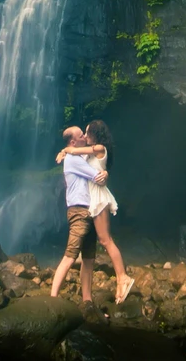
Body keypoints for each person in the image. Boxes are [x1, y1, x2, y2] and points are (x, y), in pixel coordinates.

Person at [55, 119, 135, 303]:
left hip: (98, 198)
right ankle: (89, 298)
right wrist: (64, 151)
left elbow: (74, 150)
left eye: (87, 132)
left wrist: (66, 150)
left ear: (95, 134)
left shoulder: (99, 148)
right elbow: (76, 153)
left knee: (106, 240)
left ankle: (122, 277)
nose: (85, 135)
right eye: (83, 133)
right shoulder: (87, 154)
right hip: (90, 200)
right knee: (92, 252)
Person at [49, 126, 108, 303]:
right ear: (73, 142)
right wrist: (103, 173)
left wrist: (106, 172)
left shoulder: (78, 155)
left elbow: (95, 163)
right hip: (79, 211)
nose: (84, 135)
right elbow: (95, 175)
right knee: (70, 255)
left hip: (89, 210)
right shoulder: (74, 159)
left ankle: (87, 301)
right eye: (81, 134)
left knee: (89, 259)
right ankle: (52, 300)